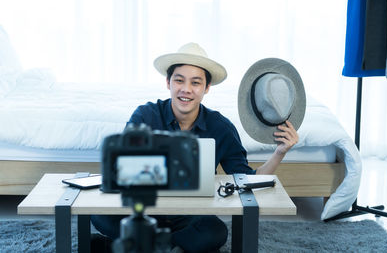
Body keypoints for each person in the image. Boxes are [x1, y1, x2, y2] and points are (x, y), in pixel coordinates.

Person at [91, 43, 299, 253]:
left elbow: (247, 180)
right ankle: (174, 247)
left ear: (207, 87)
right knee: (99, 214)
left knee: (215, 232)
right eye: (179, 80)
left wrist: (279, 152)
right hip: (144, 210)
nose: (186, 89)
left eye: (196, 83)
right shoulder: (145, 115)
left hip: (189, 216)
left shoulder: (221, 127)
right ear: (168, 82)